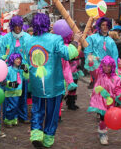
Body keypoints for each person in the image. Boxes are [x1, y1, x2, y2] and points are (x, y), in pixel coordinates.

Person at [24, 13, 81, 148]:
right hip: (53, 84)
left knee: (37, 109)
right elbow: (68, 54)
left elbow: (27, 61)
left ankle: (36, 133)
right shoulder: (55, 39)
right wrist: (75, 41)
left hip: (37, 82)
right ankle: (48, 138)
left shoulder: (28, 41)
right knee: (53, 111)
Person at [87, 56, 121, 145]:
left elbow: (118, 89)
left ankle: (103, 131)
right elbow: (92, 70)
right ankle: (103, 134)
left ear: (112, 67)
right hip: (100, 101)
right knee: (103, 119)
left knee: (107, 119)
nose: (106, 68)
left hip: (110, 102)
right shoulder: (99, 73)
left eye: (109, 66)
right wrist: (91, 61)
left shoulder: (116, 78)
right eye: (105, 65)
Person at [0, 15, 30, 123]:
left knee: (23, 94)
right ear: (12, 26)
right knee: (10, 95)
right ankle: (10, 117)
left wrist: (28, 68)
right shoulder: (5, 38)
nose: (17, 28)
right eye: (15, 26)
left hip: (23, 70)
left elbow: (30, 55)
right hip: (10, 71)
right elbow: (1, 55)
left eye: (19, 26)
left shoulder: (27, 38)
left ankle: (23, 116)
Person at [84, 17, 118, 89]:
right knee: (99, 88)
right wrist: (90, 58)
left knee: (107, 89)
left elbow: (115, 56)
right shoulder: (92, 38)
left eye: (106, 25)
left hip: (108, 68)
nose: (105, 27)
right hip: (97, 68)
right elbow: (88, 51)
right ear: (99, 26)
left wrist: (115, 70)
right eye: (103, 25)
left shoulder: (111, 41)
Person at [3, 53, 25, 128]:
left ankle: (14, 119)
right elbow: (4, 81)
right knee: (12, 106)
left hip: (18, 91)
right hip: (10, 92)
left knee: (16, 106)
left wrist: (26, 70)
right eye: (17, 59)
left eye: (20, 59)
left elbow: (26, 78)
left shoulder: (20, 70)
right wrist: (11, 84)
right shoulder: (8, 69)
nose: (19, 61)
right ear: (12, 60)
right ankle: (8, 119)